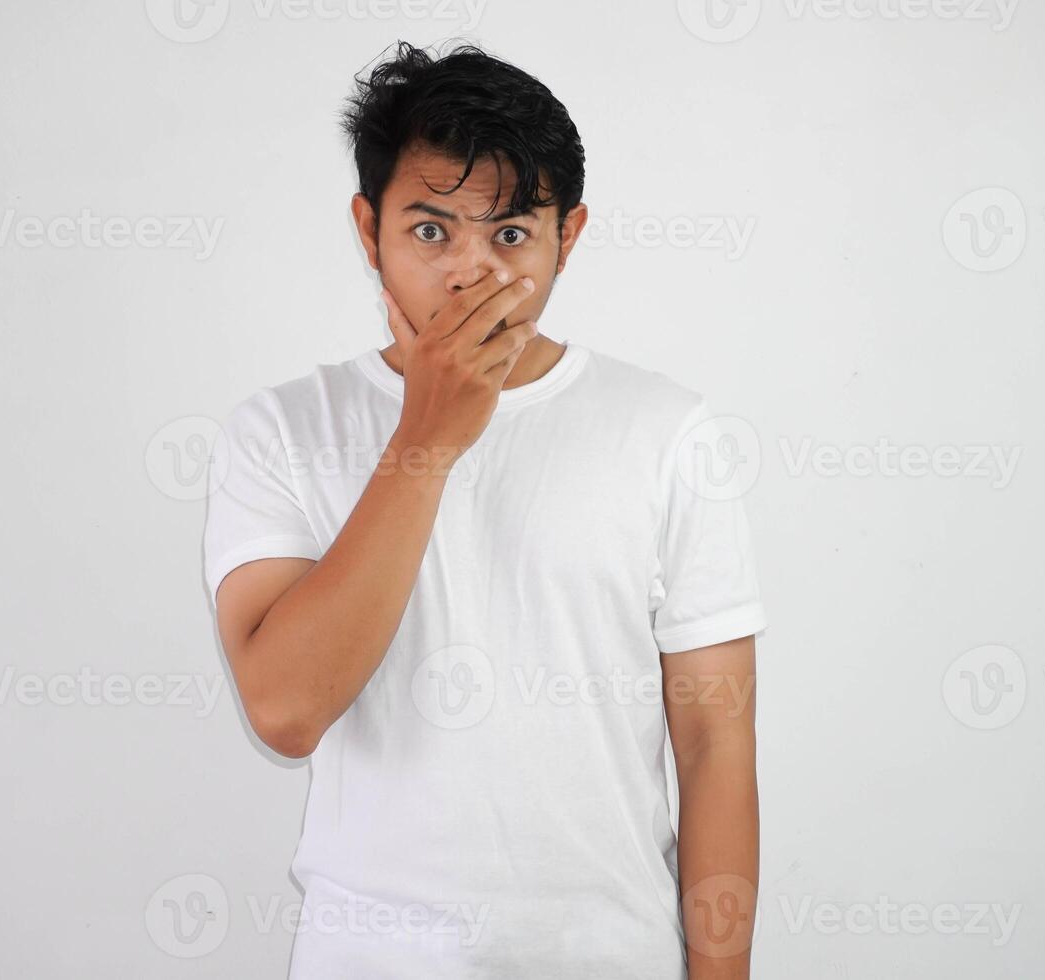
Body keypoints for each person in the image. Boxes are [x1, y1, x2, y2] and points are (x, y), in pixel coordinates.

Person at [202, 39, 767, 980]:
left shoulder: (667, 430)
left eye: (510, 234)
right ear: (367, 227)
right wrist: (428, 435)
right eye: (430, 232)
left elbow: (714, 741)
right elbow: (287, 711)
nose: (471, 274)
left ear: (567, 238)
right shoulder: (282, 430)